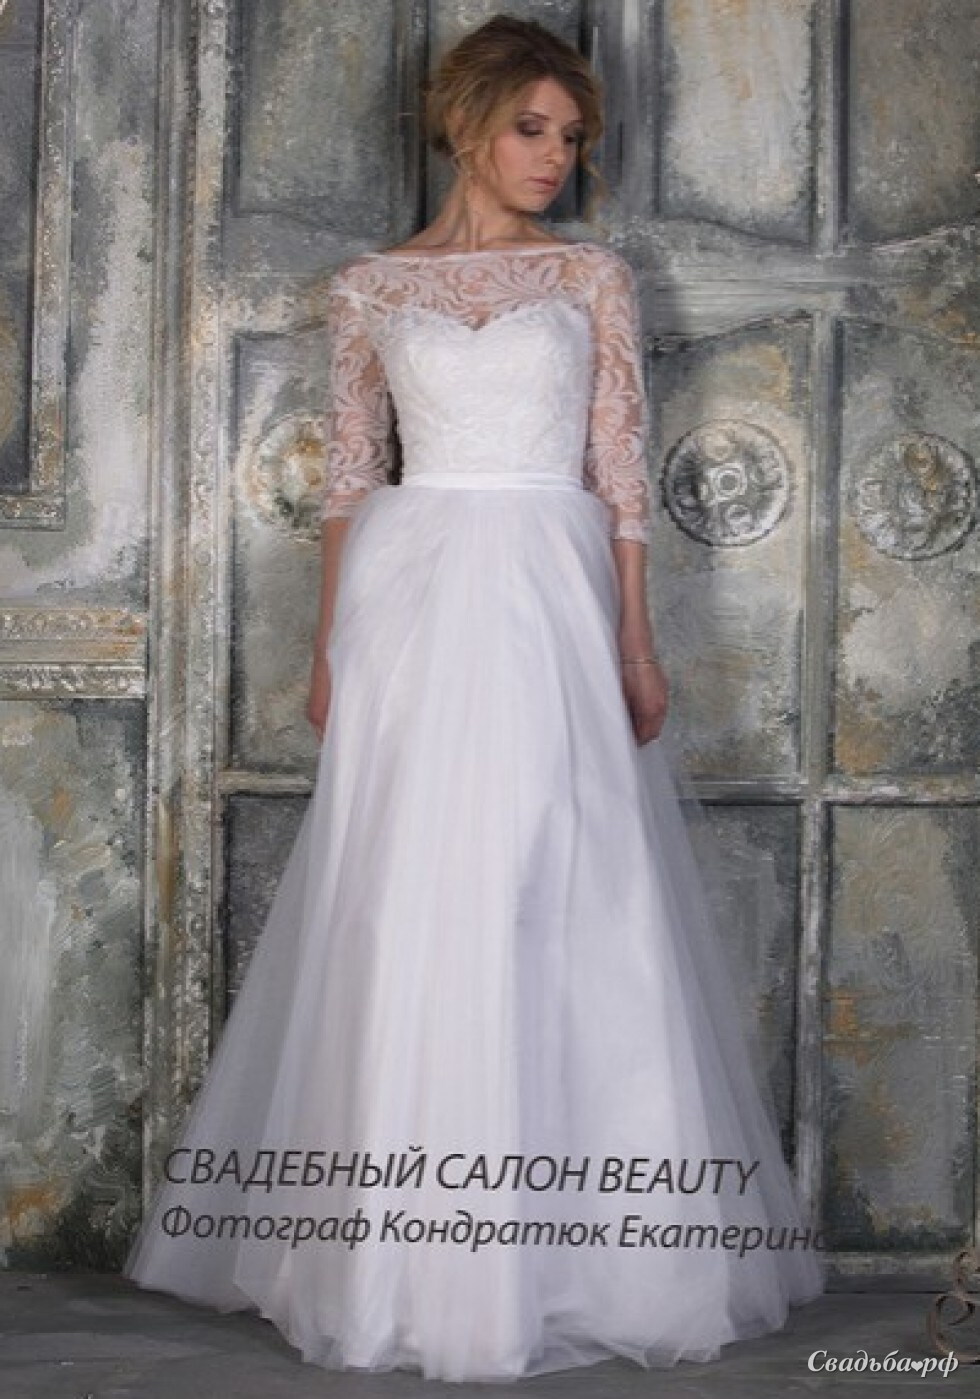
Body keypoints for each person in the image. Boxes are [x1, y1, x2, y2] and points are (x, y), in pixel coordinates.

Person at [124, 14, 823, 1382]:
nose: (556, 156)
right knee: (404, 897)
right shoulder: (370, 287)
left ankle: (581, 1254)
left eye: (571, 137)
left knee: (560, 882)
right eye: (531, 128)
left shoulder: (590, 275)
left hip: (550, 588)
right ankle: (402, 1263)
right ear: (466, 125)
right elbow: (350, 481)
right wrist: (329, 645)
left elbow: (620, 476)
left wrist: (635, 640)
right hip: (411, 597)